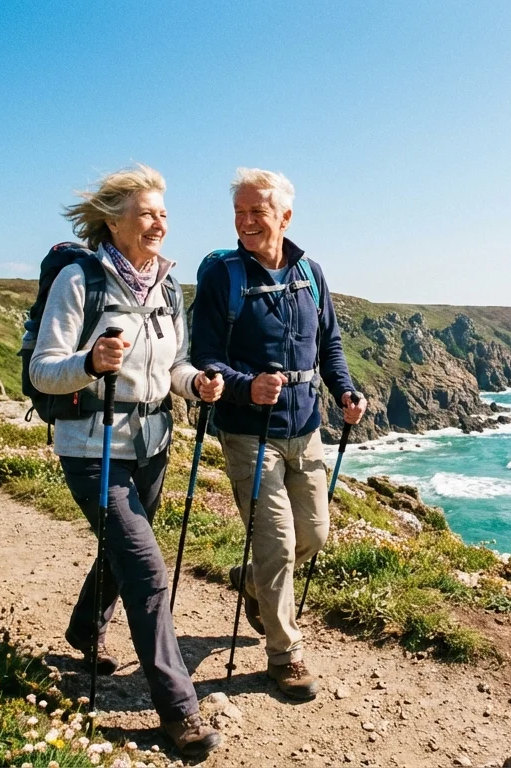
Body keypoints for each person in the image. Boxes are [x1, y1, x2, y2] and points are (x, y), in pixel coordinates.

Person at [29, 164, 223, 757]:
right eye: (147, 212)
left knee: (123, 551)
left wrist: (199, 385)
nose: (160, 221)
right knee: (145, 571)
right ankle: (179, 711)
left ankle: (85, 627)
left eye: (164, 212)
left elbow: (174, 367)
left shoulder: (168, 287)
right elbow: (43, 369)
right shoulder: (79, 281)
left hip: (154, 446)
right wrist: (90, 363)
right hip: (93, 448)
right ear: (114, 222)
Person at [190, 167, 367, 700]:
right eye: (239, 212)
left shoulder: (310, 272)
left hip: (306, 426)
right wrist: (246, 387)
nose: (245, 221)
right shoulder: (224, 276)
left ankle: (251, 581)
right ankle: (284, 654)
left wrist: (346, 392)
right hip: (249, 433)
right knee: (278, 543)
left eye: (256, 212)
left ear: (284, 217)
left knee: (313, 536)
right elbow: (205, 356)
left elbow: (329, 345)